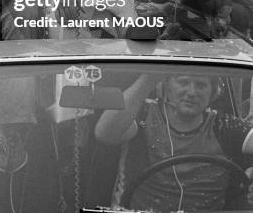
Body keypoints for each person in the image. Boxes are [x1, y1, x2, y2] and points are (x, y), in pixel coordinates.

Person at [95, 73, 253, 212]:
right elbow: (105, 134)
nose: (192, 92)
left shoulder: (224, 126)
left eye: (201, 85)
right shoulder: (143, 114)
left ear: (213, 92)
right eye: (183, 82)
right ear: (167, 87)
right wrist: (150, 78)